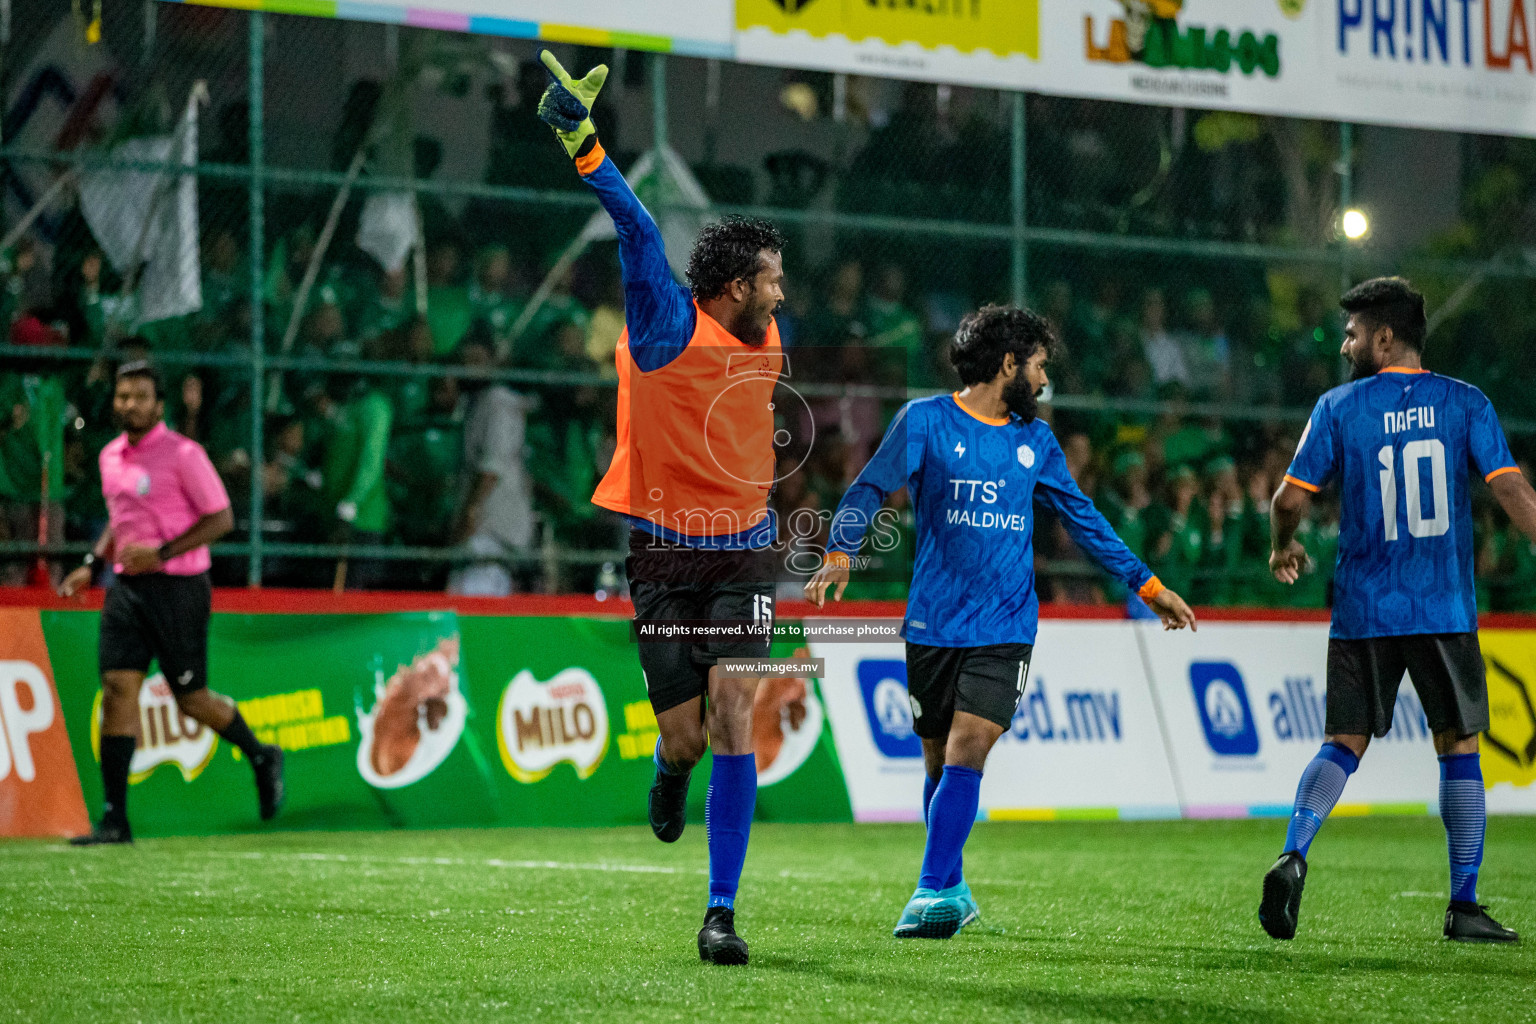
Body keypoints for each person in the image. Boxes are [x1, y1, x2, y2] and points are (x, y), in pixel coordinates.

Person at [804, 304, 1197, 938]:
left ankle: (929, 892)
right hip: (933, 623)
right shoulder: (926, 421)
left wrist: (1145, 583)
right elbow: (870, 486)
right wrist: (843, 549)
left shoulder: (1035, 441)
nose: (1043, 381)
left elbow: (1083, 518)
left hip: (1006, 625)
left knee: (968, 746)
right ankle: (952, 886)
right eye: (1038, 366)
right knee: (937, 763)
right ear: (1008, 363)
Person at [538, 51, 787, 966]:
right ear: (732, 288)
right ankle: (665, 770)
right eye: (770, 279)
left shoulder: (762, 332)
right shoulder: (664, 326)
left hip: (748, 553)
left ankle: (720, 911)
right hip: (662, 557)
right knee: (684, 738)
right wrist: (585, 145)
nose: (781, 293)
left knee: (733, 709)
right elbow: (638, 230)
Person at [1261, 277, 1536, 944]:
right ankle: (1463, 905)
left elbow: (1288, 502)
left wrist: (1282, 546)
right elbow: (1514, 494)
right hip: (1440, 606)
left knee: (1343, 742)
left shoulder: (1338, 406)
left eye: (1353, 334)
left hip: (1363, 607)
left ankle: (1294, 853)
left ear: (1385, 339)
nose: (1346, 344)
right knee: (1460, 747)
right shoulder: (1465, 403)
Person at [58, 361, 284, 844]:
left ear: (159, 405)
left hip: (179, 588)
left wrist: (161, 554)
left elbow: (221, 518)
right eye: (122, 396)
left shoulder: (184, 454)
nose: (130, 404)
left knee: (191, 699)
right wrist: (92, 563)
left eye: (140, 396)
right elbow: (119, 521)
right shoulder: (109, 457)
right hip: (125, 589)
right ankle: (115, 820)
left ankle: (261, 753)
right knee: (119, 690)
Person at [447, 336, 535, 597]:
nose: (470, 368)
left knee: (473, 605)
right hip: (484, 529)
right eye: (465, 361)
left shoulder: (497, 401)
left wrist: (469, 515)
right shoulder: (475, 403)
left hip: (489, 528)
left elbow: (490, 471)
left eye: (477, 360)